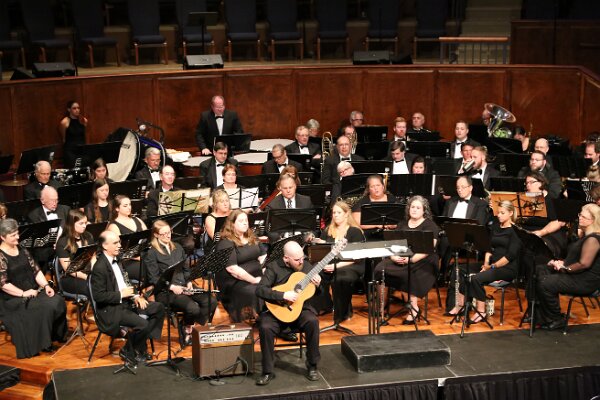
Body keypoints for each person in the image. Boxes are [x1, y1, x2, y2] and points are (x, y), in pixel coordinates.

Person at [91, 230, 164, 364]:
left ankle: (135, 346)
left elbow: (126, 282)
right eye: (115, 243)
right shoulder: (99, 267)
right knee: (143, 324)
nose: (120, 245)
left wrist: (136, 296)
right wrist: (121, 295)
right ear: (105, 246)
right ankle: (133, 348)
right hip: (112, 309)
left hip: (127, 302)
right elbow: (98, 296)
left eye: (119, 242)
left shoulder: (118, 260)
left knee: (158, 308)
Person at [255, 241, 321, 385]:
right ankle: (267, 371)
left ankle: (312, 365)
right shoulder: (273, 267)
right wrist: (283, 295)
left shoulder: (306, 266)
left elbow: (314, 293)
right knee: (265, 327)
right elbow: (260, 290)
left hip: (299, 309)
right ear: (286, 258)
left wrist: (318, 284)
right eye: (297, 260)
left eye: (302, 258)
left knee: (312, 321)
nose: (301, 262)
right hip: (276, 311)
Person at [0, 218, 67, 358]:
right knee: (44, 307)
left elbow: (36, 271)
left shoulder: (22, 249)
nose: (17, 237)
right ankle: (43, 343)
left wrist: (46, 285)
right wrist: (23, 293)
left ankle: (53, 336)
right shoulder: (1, 256)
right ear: (2, 237)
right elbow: (3, 284)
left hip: (32, 290)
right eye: (13, 235)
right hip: (13, 298)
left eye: (17, 233)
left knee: (57, 300)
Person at [144, 220, 216, 345]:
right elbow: (154, 278)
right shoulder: (151, 253)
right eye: (164, 234)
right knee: (193, 308)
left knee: (211, 301)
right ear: (156, 235)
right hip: (166, 291)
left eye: (169, 232)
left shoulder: (178, 247)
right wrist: (172, 287)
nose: (168, 236)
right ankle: (188, 329)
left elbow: (186, 269)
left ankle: (187, 324)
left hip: (183, 285)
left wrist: (188, 282)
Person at [450, 201, 522, 323]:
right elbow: (489, 248)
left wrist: (492, 266)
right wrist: (486, 264)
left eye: (502, 213)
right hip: (492, 265)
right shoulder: (496, 227)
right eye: (498, 212)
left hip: (507, 268)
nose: (499, 215)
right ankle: (461, 305)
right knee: (462, 269)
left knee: (476, 279)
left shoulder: (516, 231)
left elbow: (509, 257)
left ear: (510, 213)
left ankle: (481, 312)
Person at [373, 196, 440, 324]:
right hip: (401, 257)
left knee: (408, 273)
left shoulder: (430, 225)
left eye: (418, 208)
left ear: (424, 210)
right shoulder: (402, 224)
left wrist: (411, 260)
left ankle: (413, 309)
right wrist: (394, 257)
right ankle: (382, 305)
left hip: (422, 259)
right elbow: (392, 244)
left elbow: (429, 248)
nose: (414, 210)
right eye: (412, 207)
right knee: (380, 268)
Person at [535, 203, 600, 330]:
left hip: (584, 280)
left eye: (583, 216)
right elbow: (575, 259)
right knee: (540, 269)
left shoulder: (593, 239)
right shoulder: (586, 236)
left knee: (545, 282)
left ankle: (556, 318)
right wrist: (560, 263)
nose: (579, 218)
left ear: (593, 220)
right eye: (580, 215)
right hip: (576, 274)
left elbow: (584, 264)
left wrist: (565, 268)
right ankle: (539, 315)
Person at [313, 201, 366, 323]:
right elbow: (322, 252)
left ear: (346, 214)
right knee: (315, 274)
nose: (335, 215)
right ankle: (325, 305)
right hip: (330, 263)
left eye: (339, 212)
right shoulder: (328, 230)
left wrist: (335, 266)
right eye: (334, 213)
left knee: (340, 278)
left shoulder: (354, 231)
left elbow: (356, 257)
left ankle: (343, 313)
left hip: (351, 264)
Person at [215, 210, 266, 322]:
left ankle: (274, 317)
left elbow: (263, 256)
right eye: (241, 221)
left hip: (257, 275)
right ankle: (262, 319)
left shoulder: (252, 236)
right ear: (232, 224)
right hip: (236, 281)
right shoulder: (225, 243)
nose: (245, 223)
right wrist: (253, 280)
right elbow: (232, 269)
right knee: (258, 290)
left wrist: (266, 272)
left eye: (246, 220)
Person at [27, 186, 71, 272]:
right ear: (42, 200)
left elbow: (70, 230)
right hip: (46, 249)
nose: (55, 203)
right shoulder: (33, 216)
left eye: (56, 200)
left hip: (65, 246)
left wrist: (61, 244)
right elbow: (36, 240)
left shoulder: (65, 209)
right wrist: (52, 242)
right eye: (52, 200)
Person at [107, 195, 148, 281]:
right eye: (125, 206)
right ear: (117, 208)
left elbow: (148, 238)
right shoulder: (114, 226)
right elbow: (117, 251)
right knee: (148, 269)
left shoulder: (137, 220)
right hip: (126, 261)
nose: (129, 207)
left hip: (143, 256)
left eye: (129, 204)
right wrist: (135, 257)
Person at [59, 100, 88, 169]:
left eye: (78, 108)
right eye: (74, 108)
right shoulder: (64, 122)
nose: (77, 110)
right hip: (70, 152)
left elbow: (83, 135)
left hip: (82, 150)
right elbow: (63, 138)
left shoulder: (83, 120)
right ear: (69, 109)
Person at [203, 189, 231, 253]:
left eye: (227, 201)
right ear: (216, 204)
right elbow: (217, 240)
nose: (225, 204)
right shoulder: (210, 219)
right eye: (222, 201)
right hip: (218, 248)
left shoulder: (233, 213)